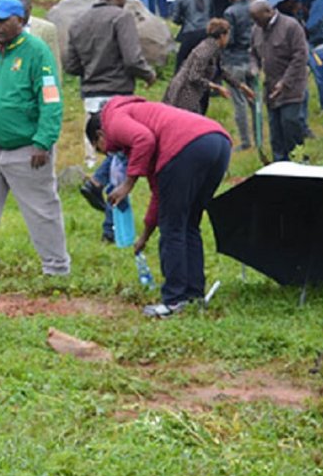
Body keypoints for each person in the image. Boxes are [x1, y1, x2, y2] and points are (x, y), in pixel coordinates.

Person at [90, 98, 231, 317]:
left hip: (187, 146)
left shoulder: (113, 119)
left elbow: (143, 139)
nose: (108, 153)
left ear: (100, 135)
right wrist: (145, 235)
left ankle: (173, 301)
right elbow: (160, 194)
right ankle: (194, 296)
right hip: (217, 142)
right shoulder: (143, 121)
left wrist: (128, 184)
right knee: (189, 224)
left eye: (101, 150)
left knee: (173, 228)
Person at [0, 0, 70, 278]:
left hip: (27, 150)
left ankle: (56, 268)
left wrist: (43, 141)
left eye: (3, 20)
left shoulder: (36, 51)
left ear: (21, 21)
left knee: (42, 211)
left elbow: (51, 99)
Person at [65, 0, 156, 239]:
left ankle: (96, 184)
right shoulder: (120, 17)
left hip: (92, 95)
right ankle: (111, 226)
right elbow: (131, 57)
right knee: (122, 159)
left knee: (116, 156)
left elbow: (71, 65)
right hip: (118, 95)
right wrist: (148, 73)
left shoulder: (79, 21)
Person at [249, 0, 308, 162]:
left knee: (289, 123)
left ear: (269, 12)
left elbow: (300, 56)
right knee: (275, 130)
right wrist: (254, 68)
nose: (256, 23)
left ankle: (299, 160)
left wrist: (285, 82)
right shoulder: (257, 29)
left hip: (291, 87)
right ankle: (280, 164)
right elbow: (252, 53)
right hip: (270, 88)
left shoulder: (291, 26)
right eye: (254, 20)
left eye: (258, 19)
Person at [163, 18, 248, 115]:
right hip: (183, 94)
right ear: (222, 36)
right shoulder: (206, 51)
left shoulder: (214, 48)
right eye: (228, 35)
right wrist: (217, 87)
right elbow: (194, 76)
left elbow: (220, 71)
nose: (228, 39)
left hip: (193, 95)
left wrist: (240, 86)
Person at [221, 0, 257, 150]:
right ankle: (258, 137)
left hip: (235, 60)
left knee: (239, 101)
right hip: (252, 59)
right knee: (254, 99)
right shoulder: (253, 9)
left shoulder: (230, 12)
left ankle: (245, 141)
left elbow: (230, 39)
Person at [172, 0, 212, 70]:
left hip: (189, 32)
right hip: (205, 33)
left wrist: (183, 21)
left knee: (181, 63)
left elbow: (175, 19)